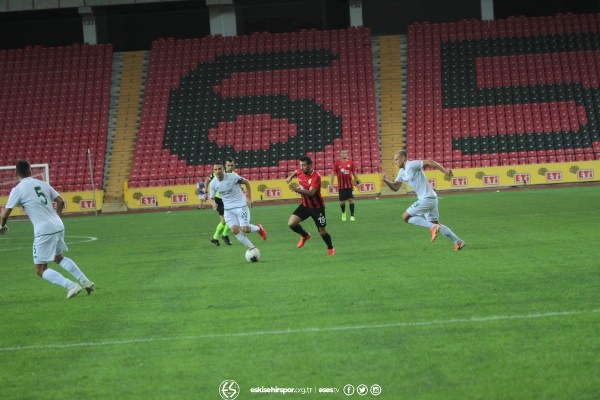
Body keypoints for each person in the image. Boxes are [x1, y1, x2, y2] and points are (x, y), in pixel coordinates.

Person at [0, 160, 95, 299]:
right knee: (58, 257)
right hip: (58, 225)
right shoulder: (43, 183)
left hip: (44, 230)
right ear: (30, 170)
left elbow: (6, 212)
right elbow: (61, 201)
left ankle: (71, 286)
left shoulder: (18, 189)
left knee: (40, 269)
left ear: (16, 173)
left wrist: (1, 226)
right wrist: (58, 218)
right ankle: (86, 282)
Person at [382, 149, 466, 251]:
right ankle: (458, 242)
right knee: (437, 224)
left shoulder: (412, 165)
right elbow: (395, 187)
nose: (395, 162)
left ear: (403, 158)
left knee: (405, 217)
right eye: (394, 160)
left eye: (397, 159)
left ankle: (432, 227)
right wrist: (386, 180)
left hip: (427, 199)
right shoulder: (402, 172)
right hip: (431, 199)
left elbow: (430, 162)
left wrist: (445, 171)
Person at [208, 161, 267, 252]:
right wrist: (213, 204)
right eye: (215, 169)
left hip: (241, 206)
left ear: (223, 169)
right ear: (213, 171)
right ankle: (252, 248)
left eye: (219, 169)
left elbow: (246, 182)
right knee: (234, 230)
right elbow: (211, 197)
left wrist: (249, 198)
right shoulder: (213, 183)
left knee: (245, 229)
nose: (218, 171)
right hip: (228, 210)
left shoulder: (232, 177)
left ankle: (259, 228)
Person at [285, 155, 335, 256]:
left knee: (322, 232)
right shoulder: (300, 171)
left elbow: (312, 193)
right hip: (305, 205)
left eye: (304, 165)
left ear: (310, 165)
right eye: (300, 165)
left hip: (317, 208)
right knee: (291, 224)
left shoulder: (316, 176)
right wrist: (290, 177)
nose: (301, 167)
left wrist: (297, 189)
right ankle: (305, 235)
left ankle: (330, 248)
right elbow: (296, 171)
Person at [204, 158, 237, 246]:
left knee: (230, 219)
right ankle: (223, 235)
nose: (230, 167)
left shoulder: (234, 175)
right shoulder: (219, 173)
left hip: (229, 200)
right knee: (225, 221)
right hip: (219, 200)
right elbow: (207, 180)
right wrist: (206, 192)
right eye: (228, 165)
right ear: (225, 166)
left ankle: (216, 237)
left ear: (234, 166)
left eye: (232, 165)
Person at [329, 149, 360, 221]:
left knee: (351, 200)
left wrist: (358, 183)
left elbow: (355, 173)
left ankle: (352, 216)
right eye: (342, 153)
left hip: (350, 186)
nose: (343, 154)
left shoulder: (351, 163)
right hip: (341, 186)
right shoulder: (337, 163)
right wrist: (331, 183)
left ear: (347, 154)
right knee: (342, 203)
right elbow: (333, 174)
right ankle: (343, 213)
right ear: (340, 154)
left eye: (345, 153)